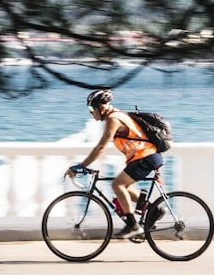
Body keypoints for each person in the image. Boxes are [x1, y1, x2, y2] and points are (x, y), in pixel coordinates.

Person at [66, 88, 164, 239]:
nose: (90, 112)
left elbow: (100, 147)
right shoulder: (117, 116)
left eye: (92, 108)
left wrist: (82, 165)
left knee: (117, 185)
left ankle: (133, 226)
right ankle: (153, 210)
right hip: (144, 157)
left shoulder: (114, 119)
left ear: (102, 107)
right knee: (121, 189)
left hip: (146, 157)